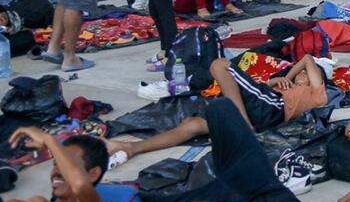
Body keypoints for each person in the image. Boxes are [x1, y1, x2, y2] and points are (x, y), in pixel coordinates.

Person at [110, 55, 329, 166]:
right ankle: (132, 148)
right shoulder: (283, 89)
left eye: (306, 74)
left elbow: (307, 59)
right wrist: (280, 80)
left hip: (267, 109)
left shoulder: (317, 94)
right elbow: (259, 90)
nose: (302, 74)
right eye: (300, 74)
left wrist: (290, 77)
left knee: (219, 64)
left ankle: (244, 125)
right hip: (261, 109)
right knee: (192, 125)